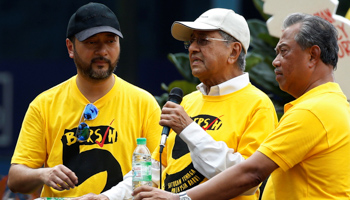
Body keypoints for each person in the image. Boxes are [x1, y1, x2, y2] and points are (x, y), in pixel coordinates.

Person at [132, 12, 350, 200]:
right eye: (192, 42)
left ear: (312, 56)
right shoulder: (328, 105)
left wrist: (180, 198)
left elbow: (251, 173)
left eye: (283, 51)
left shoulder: (306, 110)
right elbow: (155, 166)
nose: (275, 61)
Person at [77, 8, 278, 200]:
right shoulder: (188, 101)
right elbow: (154, 170)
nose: (192, 48)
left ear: (233, 52)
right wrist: (107, 197)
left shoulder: (258, 105)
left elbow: (247, 179)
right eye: (191, 42)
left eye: (203, 41)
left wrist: (188, 128)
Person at [7, 2, 162, 198]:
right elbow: (15, 180)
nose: (103, 51)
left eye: (110, 41)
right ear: (70, 47)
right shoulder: (44, 104)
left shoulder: (143, 103)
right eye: (92, 42)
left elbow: (160, 172)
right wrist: (44, 173)